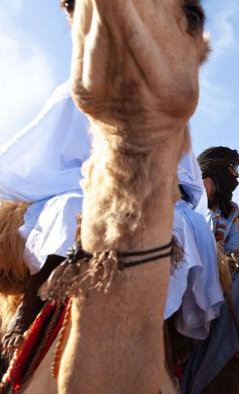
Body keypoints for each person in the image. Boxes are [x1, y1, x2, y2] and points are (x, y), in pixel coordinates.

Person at [0, 83, 223, 354]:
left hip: (150, 196)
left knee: (185, 227)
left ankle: (169, 337)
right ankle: (30, 309)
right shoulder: (86, 86)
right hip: (85, 185)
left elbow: (185, 177)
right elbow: (55, 154)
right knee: (69, 208)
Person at [180, 146, 239, 394]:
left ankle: (192, 383)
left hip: (219, 284)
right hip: (184, 282)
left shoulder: (236, 216)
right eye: (233, 170)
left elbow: (236, 256)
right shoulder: (188, 211)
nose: (238, 178)